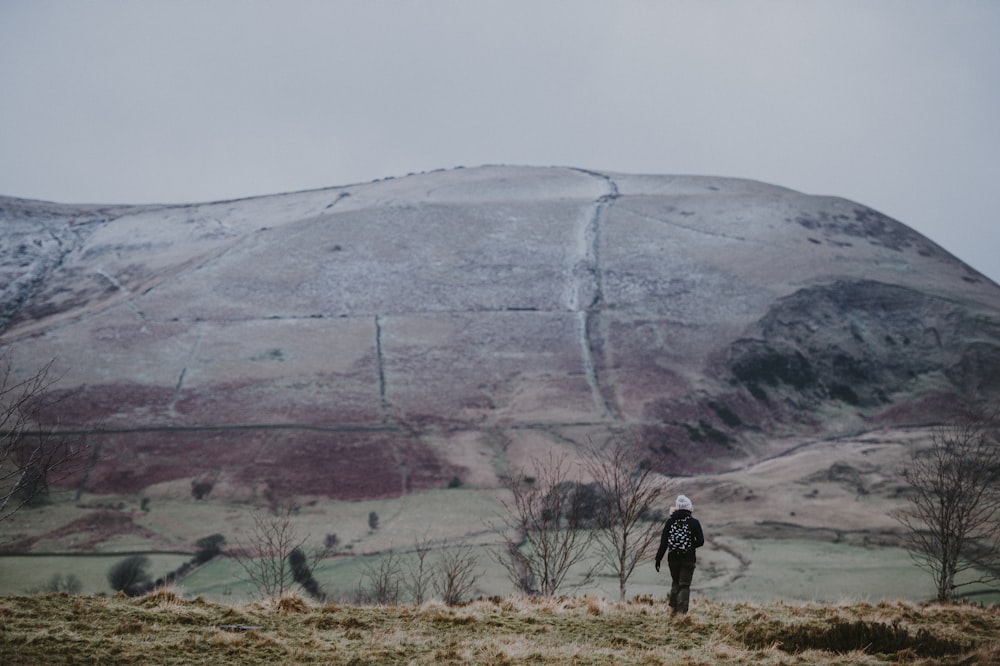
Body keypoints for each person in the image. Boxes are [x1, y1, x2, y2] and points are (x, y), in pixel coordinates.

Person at [655, 494, 705, 614]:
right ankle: (681, 613)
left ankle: (672, 609)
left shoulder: (670, 522)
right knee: (684, 585)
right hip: (688, 558)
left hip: (673, 558)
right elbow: (701, 541)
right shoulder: (694, 522)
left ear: (677, 507)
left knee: (676, 582)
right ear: (689, 508)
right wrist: (689, 546)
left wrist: (658, 559)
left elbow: (664, 542)